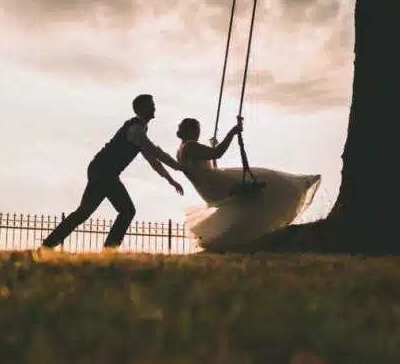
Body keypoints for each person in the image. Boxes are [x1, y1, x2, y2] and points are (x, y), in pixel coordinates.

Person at [40, 94, 184, 251]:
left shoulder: (139, 130)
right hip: (104, 172)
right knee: (127, 210)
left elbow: (153, 160)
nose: (154, 107)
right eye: (151, 104)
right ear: (142, 108)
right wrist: (178, 166)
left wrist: (171, 180)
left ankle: (48, 244)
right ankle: (109, 249)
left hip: (101, 170)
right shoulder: (136, 130)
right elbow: (155, 152)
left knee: (84, 212)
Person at [175, 116, 321, 249]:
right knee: (266, 179)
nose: (199, 133)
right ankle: (296, 188)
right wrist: (232, 132)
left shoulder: (181, 150)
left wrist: (214, 146)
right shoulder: (190, 146)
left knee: (253, 196)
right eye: (197, 130)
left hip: (209, 189)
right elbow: (217, 153)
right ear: (190, 130)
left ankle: (249, 236)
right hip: (217, 184)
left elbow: (205, 167)